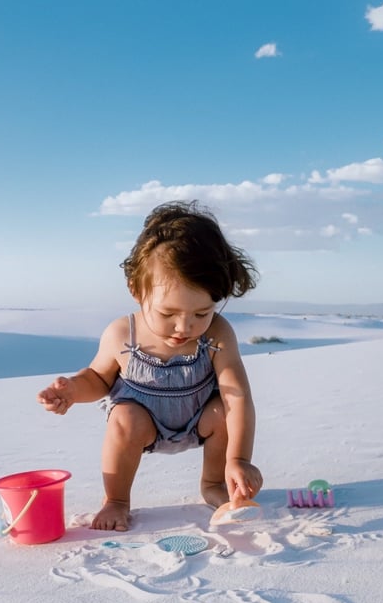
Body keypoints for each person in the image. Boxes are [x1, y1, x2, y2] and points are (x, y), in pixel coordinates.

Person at [37, 201, 264, 531]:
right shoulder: (121, 334)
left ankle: (214, 484)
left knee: (223, 412)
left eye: (201, 313)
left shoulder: (216, 334)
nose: (184, 327)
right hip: (145, 424)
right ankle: (116, 500)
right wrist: (72, 390)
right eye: (168, 313)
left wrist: (239, 459)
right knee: (124, 417)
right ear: (136, 290)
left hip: (198, 421)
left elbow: (237, 397)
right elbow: (99, 378)